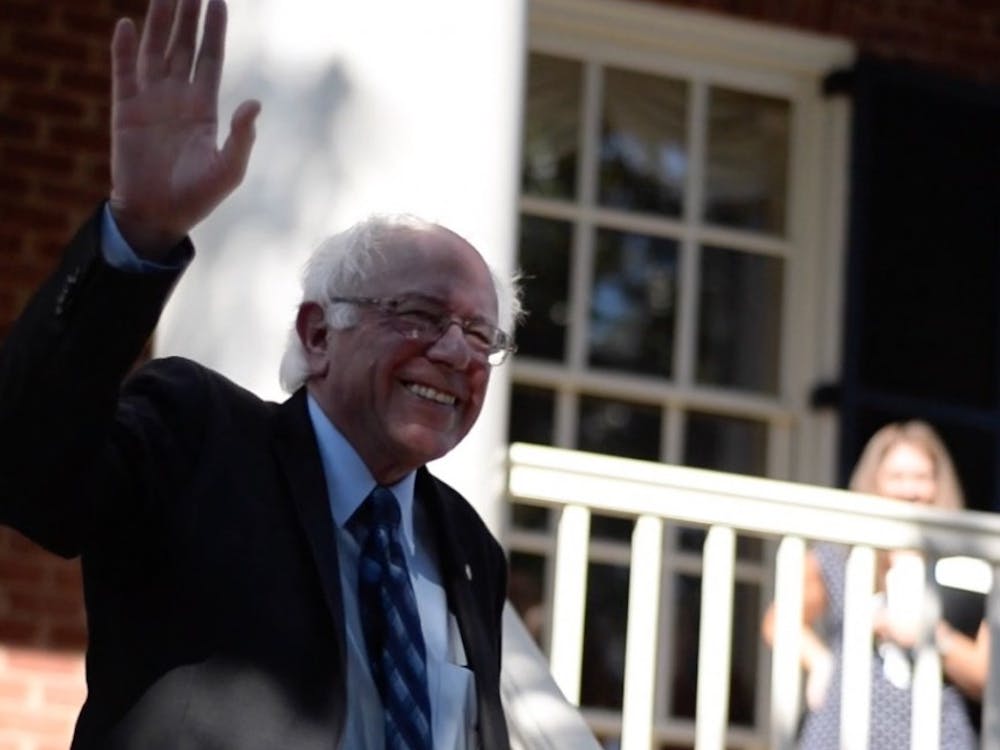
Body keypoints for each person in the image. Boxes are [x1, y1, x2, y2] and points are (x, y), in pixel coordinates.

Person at [0, 0, 521, 748]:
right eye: (416, 314)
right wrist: (138, 235)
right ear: (318, 334)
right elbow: (26, 473)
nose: (456, 351)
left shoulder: (470, 548)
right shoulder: (197, 436)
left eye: (480, 334)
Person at [762, 420, 989, 750]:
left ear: (939, 485)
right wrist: (821, 662)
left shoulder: (965, 565)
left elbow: (985, 674)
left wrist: (930, 636)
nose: (910, 490)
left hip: (934, 734)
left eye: (922, 477)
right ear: (875, 482)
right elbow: (779, 622)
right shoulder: (840, 555)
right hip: (843, 731)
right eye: (897, 477)